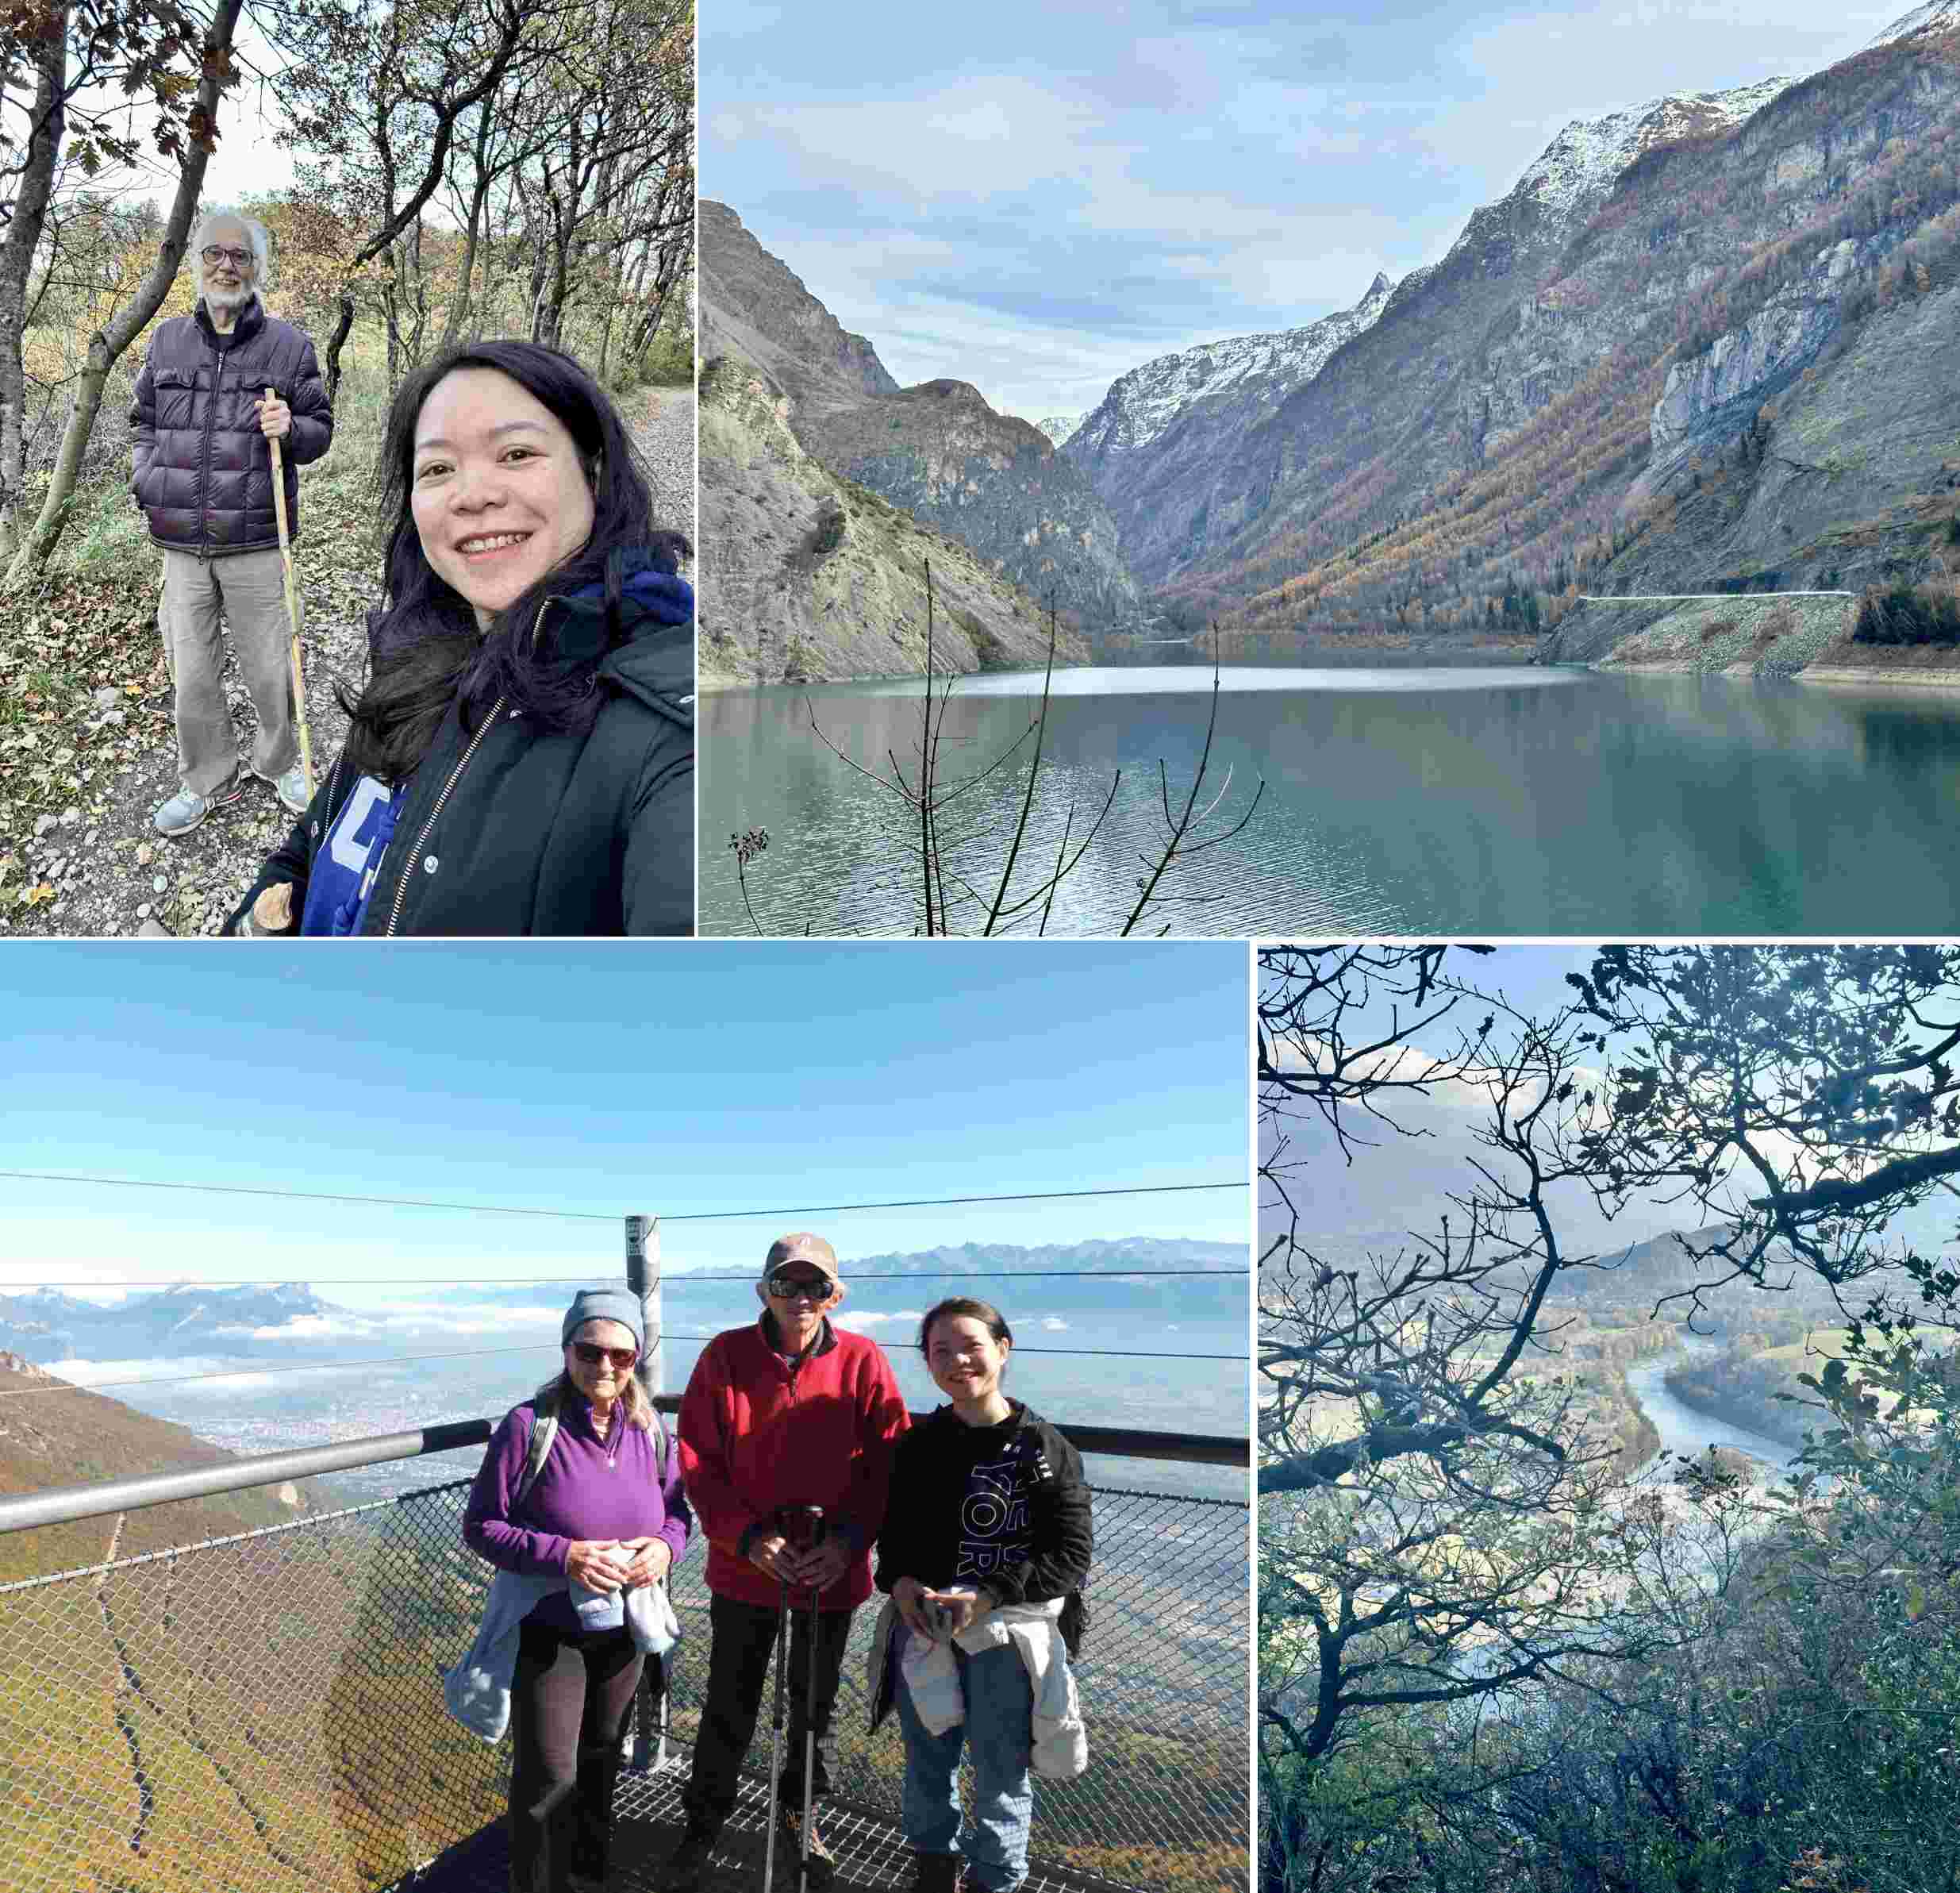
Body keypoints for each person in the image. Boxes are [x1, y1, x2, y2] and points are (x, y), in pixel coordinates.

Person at [226, 338, 693, 937]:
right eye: (438, 468)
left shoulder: (664, 734)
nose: (473, 495)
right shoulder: (419, 653)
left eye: (517, 453)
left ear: (593, 470)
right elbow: (313, 846)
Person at [665, 1235, 912, 1891]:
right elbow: (696, 1455)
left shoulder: (863, 1360)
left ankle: (802, 1817)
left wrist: (849, 1541)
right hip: (748, 1569)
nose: (801, 1298)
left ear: (835, 1295)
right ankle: (706, 1818)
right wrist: (748, 1539)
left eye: (816, 1287)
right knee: (730, 1701)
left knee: (815, 1707)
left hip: (831, 1574)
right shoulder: (725, 1356)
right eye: (787, 1284)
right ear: (763, 1290)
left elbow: (890, 1462)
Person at [463, 1288, 690, 1893]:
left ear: (636, 1356)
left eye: (621, 1353)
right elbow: (482, 1525)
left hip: (625, 1628)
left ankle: (588, 1872)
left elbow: (677, 1513)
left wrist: (665, 1548)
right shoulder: (529, 1426)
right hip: (551, 1627)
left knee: (601, 1758)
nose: (606, 1365)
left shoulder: (650, 1428)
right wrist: (565, 1555)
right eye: (590, 1349)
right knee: (548, 1774)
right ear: (567, 1350)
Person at [870, 1299, 1093, 1893]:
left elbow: (1070, 1556)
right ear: (926, 1362)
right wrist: (903, 1582)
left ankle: (995, 1880)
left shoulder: (1046, 1449)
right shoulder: (919, 1447)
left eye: (970, 1344)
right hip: (924, 1628)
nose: (956, 1360)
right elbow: (892, 1543)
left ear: (1003, 1346)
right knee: (927, 1763)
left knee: (1000, 1774)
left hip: (1006, 1639)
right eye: (939, 1350)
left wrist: (989, 1596)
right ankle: (933, 1874)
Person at [133, 206, 335, 837]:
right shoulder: (166, 340)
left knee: (272, 664)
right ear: (197, 263)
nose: (227, 265)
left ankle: (280, 764)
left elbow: (320, 429)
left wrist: (293, 430)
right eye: (215, 254)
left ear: (257, 268)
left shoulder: (288, 346)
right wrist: (146, 478)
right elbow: (142, 420)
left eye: (240, 256)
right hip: (181, 545)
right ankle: (207, 777)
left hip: (255, 539)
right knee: (191, 673)